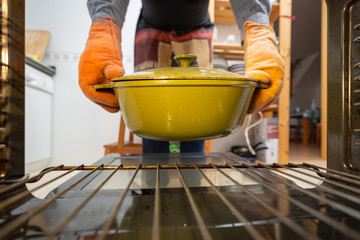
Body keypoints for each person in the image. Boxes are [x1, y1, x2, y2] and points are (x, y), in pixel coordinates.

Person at [78, 0, 284, 154]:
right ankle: (153, 184)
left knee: (198, 114)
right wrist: (103, 26)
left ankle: (193, 181)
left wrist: (257, 28)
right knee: (153, 115)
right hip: (151, 28)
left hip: (198, 30)